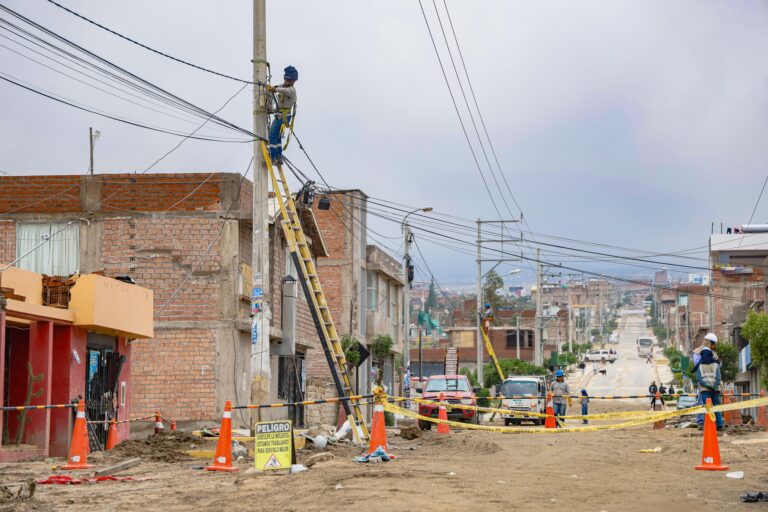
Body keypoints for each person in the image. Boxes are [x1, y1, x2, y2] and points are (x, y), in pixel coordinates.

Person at [267, 66, 298, 165]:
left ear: (293, 81)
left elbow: (283, 91)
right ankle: (279, 157)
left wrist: (275, 88)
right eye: (285, 79)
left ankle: (272, 156)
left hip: (283, 117)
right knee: (278, 136)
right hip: (280, 115)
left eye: (288, 80)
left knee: (272, 135)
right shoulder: (283, 86)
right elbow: (279, 87)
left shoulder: (291, 90)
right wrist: (271, 87)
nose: (285, 81)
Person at [695, 347, 724, 430]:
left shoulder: (700, 366)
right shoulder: (716, 365)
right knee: (715, 406)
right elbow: (718, 377)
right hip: (715, 390)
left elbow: (700, 379)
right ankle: (719, 425)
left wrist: (708, 386)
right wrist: (714, 386)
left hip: (705, 390)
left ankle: (707, 425)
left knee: (707, 408)